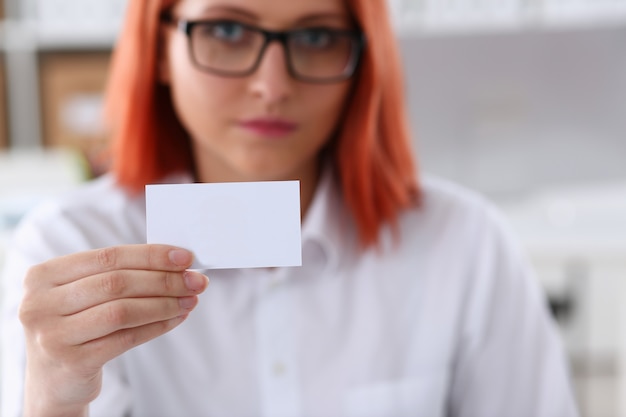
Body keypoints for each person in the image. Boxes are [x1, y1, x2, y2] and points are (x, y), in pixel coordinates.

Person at [1, 0, 579, 416]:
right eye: (227, 29)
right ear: (158, 49)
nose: (271, 85)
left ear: (363, 63)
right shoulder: (65, 247)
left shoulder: (464, 242)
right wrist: (52, 399)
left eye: (315, 37)